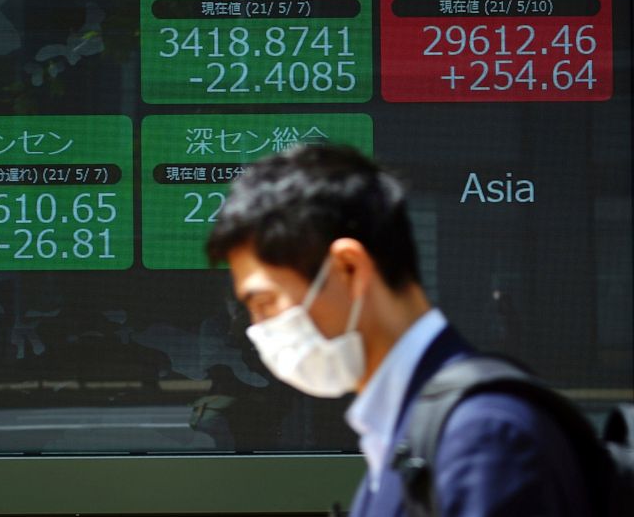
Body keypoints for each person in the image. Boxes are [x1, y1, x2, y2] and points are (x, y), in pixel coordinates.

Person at [206, 145, 592, 516]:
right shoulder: (403, 431)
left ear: (349, 270)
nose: (257, 328)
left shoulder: (483, 438)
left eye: (265, 301)